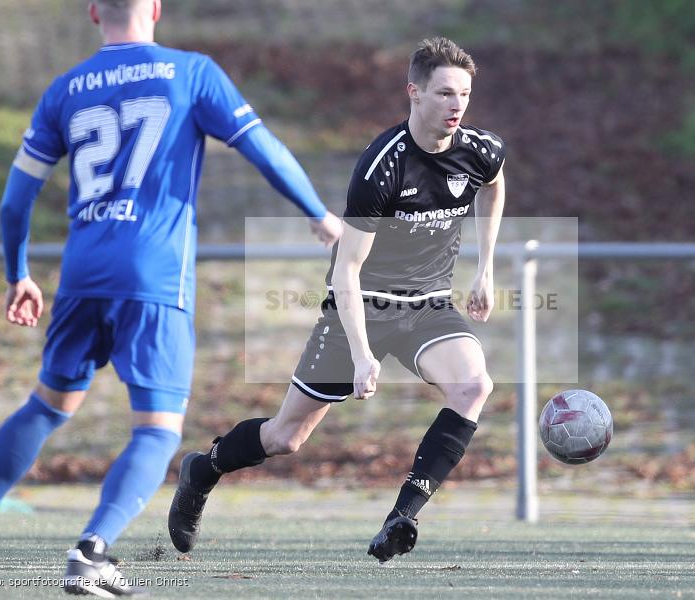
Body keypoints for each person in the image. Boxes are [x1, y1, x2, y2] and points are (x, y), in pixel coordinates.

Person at [0, 0, 341, 595]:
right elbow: (262, 148)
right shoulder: (191, 73)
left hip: (81, 273)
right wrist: (319, 214)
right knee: (159, 430)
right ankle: (91, 553)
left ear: (94, 12)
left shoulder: (65, 88)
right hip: (153, 276)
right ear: (157, 8)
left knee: (47, 406)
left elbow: (15, 202)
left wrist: (18, 274)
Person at [168, 36, 505, 563]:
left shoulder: (479, 149)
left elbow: (494, 184)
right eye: (444, 93)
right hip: (362, 305)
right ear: (414, 92)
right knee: (285, 438)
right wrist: (363, 353)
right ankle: (203, 469)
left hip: (428, 304)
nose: (456, 105)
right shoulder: (382, 168)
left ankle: (401, 517)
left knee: (473, 385)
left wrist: (485, 268)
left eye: (463, 93)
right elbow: (346, 270)